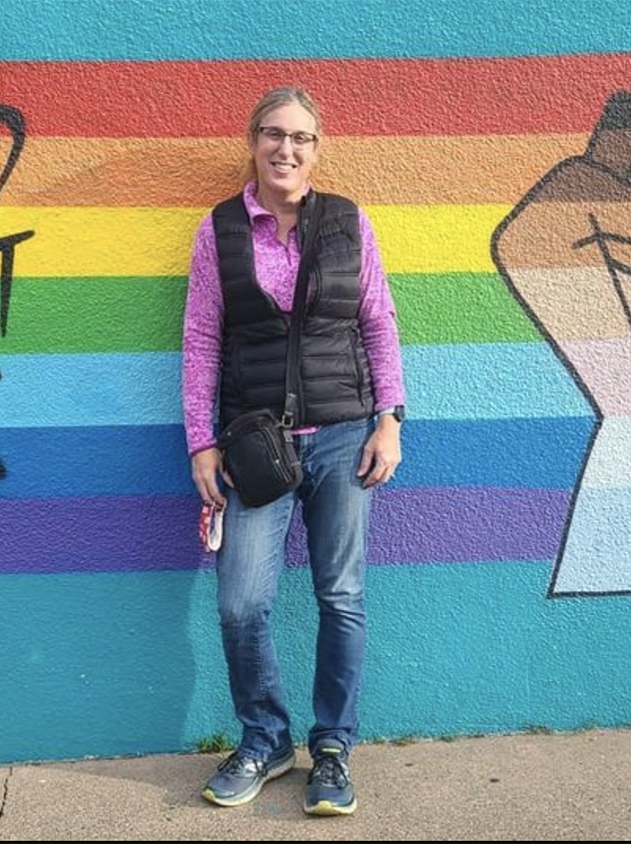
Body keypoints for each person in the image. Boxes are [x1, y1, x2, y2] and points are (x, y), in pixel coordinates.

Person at [181, 84, 406, 817]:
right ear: (252, 142)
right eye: (274, 134)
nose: (287, 149)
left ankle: (333, 748)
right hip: (254, 449)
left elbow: (379, 322)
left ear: (318, 148)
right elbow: (202, 340)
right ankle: (266, 739)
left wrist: (389, 419)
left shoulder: (347, 223)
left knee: (341, 595)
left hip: (344, 436)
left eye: (301, 138)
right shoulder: (218, 231)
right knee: (242, 602)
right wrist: (200, 444)